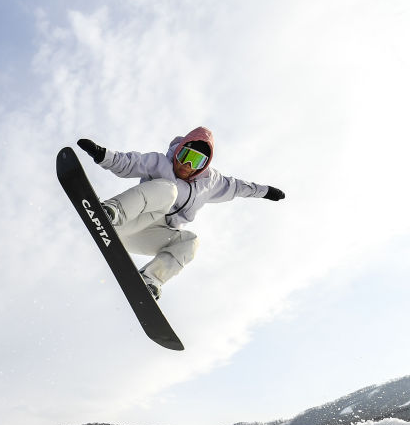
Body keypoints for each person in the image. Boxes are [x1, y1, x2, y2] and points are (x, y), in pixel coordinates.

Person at [77, 127, 284, 299]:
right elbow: (128, 162)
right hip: (127, 221)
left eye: (196, 161)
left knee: (190, 241)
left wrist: (265, 191)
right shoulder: (160, 163)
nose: (186, 165)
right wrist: (101, 154)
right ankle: (111, 211)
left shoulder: (210, 183)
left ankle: (151, 279)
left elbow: (238, 186)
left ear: (205, 166)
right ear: (178, 152)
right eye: (185, 156)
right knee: (169, 190)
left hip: (150, 236)